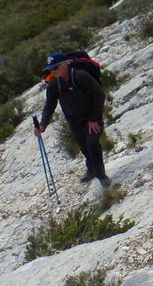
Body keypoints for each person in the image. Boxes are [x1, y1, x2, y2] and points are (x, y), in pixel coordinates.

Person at [34, 52, 110, 187]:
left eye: (55, 67)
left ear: (65, 64)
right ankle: (91, 169)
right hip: (74, 121)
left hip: (92, 117)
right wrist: (42, 126)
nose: (53, 71)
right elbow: (49, 106)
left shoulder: (81, 76)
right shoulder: (54, 86)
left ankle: (101, 176)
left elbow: (99, 95)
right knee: (84, 147)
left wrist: (93, 119)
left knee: (92, 143)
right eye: (51, 69)